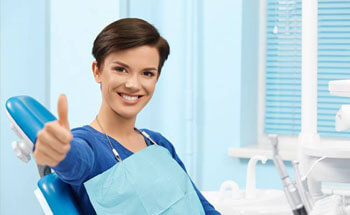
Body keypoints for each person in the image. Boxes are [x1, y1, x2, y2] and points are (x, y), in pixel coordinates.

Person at [33, 18, 221, 215]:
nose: (133, 84)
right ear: (97, 71)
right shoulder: (88, 145)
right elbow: (74, 161)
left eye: (147, 73)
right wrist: (59, 151)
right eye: (121, 69)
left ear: (156, 78)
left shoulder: (158, 143)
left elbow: (200, 206)